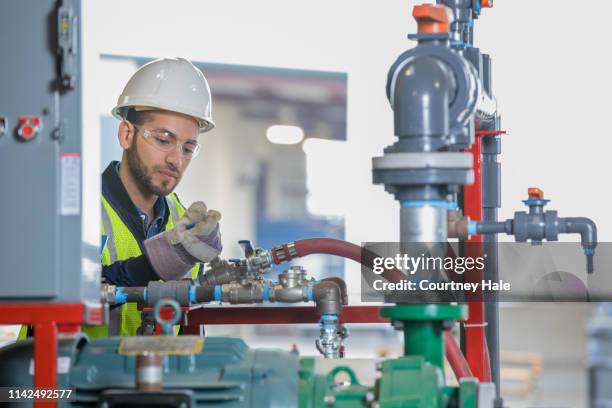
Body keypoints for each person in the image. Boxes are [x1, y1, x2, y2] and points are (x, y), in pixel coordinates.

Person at [84, 57, 223, 338]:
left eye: (188, 147)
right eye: (163, 140)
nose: (176, 160)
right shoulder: (79, 211)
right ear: (126, 134)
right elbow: (67, 293)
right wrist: (153, 265)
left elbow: (189, 322)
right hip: (72, 378)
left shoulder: (183, 220)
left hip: (159, 379)